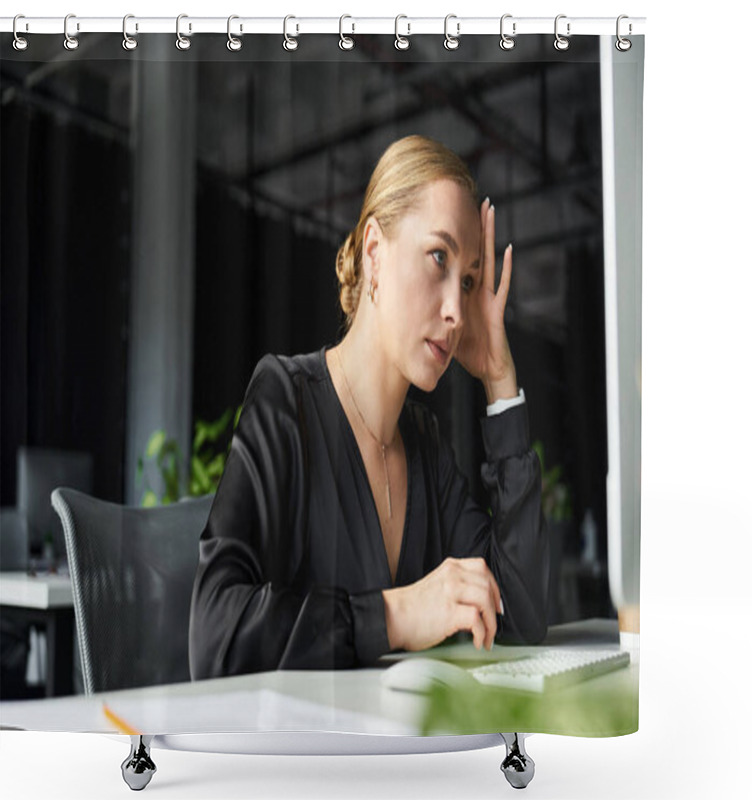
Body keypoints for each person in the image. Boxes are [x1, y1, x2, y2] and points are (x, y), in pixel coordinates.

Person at [189, 135, 548, 678]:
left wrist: (500, 381)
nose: (457, 309)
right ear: (375, 253)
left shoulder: (424, 444)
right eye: (438, 258)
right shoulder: (286, 399)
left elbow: (520, 618)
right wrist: (396, 614)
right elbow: (214, 636)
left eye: (469, 280)